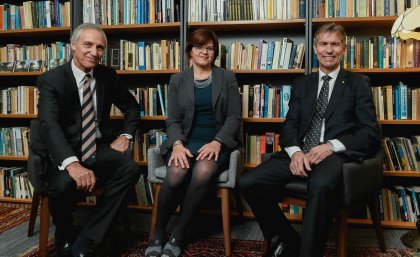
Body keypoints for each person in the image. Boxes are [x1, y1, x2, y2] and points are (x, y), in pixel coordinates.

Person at [237, 23, 380, 257]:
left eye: (335, 44)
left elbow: (370, 131)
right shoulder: (302, 83)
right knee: (249, 182)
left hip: (334, 155)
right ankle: (289, 238)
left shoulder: (357, 83)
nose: (329, 50)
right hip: (301, 151)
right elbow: (290, 124)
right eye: (323, 44)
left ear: (343, 48)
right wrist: (294, 152)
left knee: (321, 184)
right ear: (315, 48)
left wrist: (330, 146)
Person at [36, 23, 141, 257]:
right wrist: (72, 164)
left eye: (100, 47)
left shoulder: (107, 76)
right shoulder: (51, 80)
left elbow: (133, 108)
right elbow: (49, 126)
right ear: (73, 46)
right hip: (63, 152)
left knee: (130, 169)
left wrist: (125, 136)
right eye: (88, 45)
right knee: (62, 185)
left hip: (96, 148)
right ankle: (64, 233)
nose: (94, 51)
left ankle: (88, 236)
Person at [145, 28, 242, 257]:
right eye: (199, 46)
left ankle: (179, 234)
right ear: (190, 50)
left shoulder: (226, 77)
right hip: (186, 141)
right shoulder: (178, 79)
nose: (204, 52)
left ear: (215, 52)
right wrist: (177, 144)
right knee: (177, 172)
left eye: (209, 48)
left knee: (203, 171)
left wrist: (218, 141)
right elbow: (173, 119)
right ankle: (158, 233)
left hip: (216, 141)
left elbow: (234, 117)